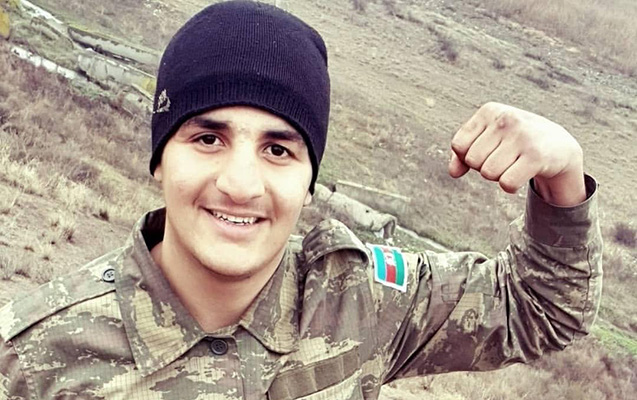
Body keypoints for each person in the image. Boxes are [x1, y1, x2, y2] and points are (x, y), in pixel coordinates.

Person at [0, 1, 601, 399]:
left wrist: (562, 176)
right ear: (160, 157)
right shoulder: (33, 359)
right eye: (207, 139)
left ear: (310, 180)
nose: (241, 184)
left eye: (278, 149)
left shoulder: (358, 301)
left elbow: (541, 309)